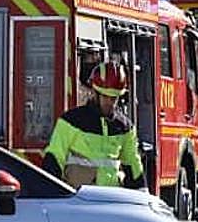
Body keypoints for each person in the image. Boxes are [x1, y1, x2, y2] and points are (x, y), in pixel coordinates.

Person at [42, 61, 146, 190]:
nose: (111, 103)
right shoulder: (71, 121)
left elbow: (133, 165)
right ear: (95, 93)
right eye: (106, 96)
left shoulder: (124, 128)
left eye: (114, 98)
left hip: (111, 199)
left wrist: (142, 193)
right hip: (77, 200)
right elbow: (54, 159)